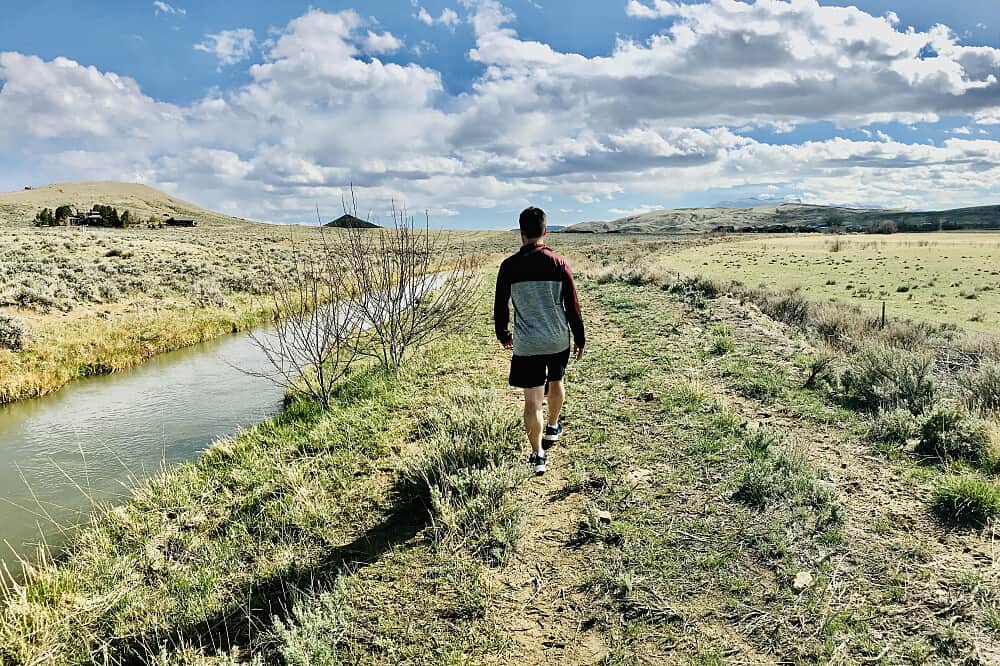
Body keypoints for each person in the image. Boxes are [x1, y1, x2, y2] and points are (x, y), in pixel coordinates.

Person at [494, 207, 585, 475]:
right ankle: (553, 426)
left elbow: (501, 306)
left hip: (527, 343)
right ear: (546, 231)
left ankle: (537, 455)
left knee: (532, 401)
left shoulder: (509, 266)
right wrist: (579, 338)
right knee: (557, 381)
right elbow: (573, 306)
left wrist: (503, 334)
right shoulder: (559, 263)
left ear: (521, 232)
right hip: (558, 339)